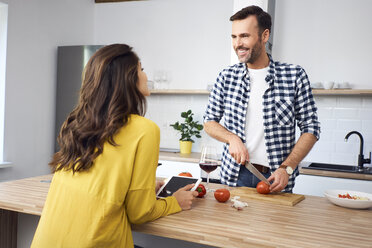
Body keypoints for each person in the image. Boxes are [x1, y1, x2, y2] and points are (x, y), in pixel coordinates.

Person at [31, 44, 198, 248]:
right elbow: (139, 213)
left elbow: (99, 183)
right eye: (141, 69)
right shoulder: (145, 129)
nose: (146, 76)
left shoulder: (79, 123)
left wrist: (144, 190)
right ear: (129, 79)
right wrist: (176, 202)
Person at [203, 6, 320, 193]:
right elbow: (209, 122)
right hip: (233, 176)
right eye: (234, 37)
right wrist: (231, 138)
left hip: (276, 179)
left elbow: (311, 128)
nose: (237, 43)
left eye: (244, 36)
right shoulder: (226, 76)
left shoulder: (294, 75)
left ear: (264, 36)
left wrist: (287, 168)